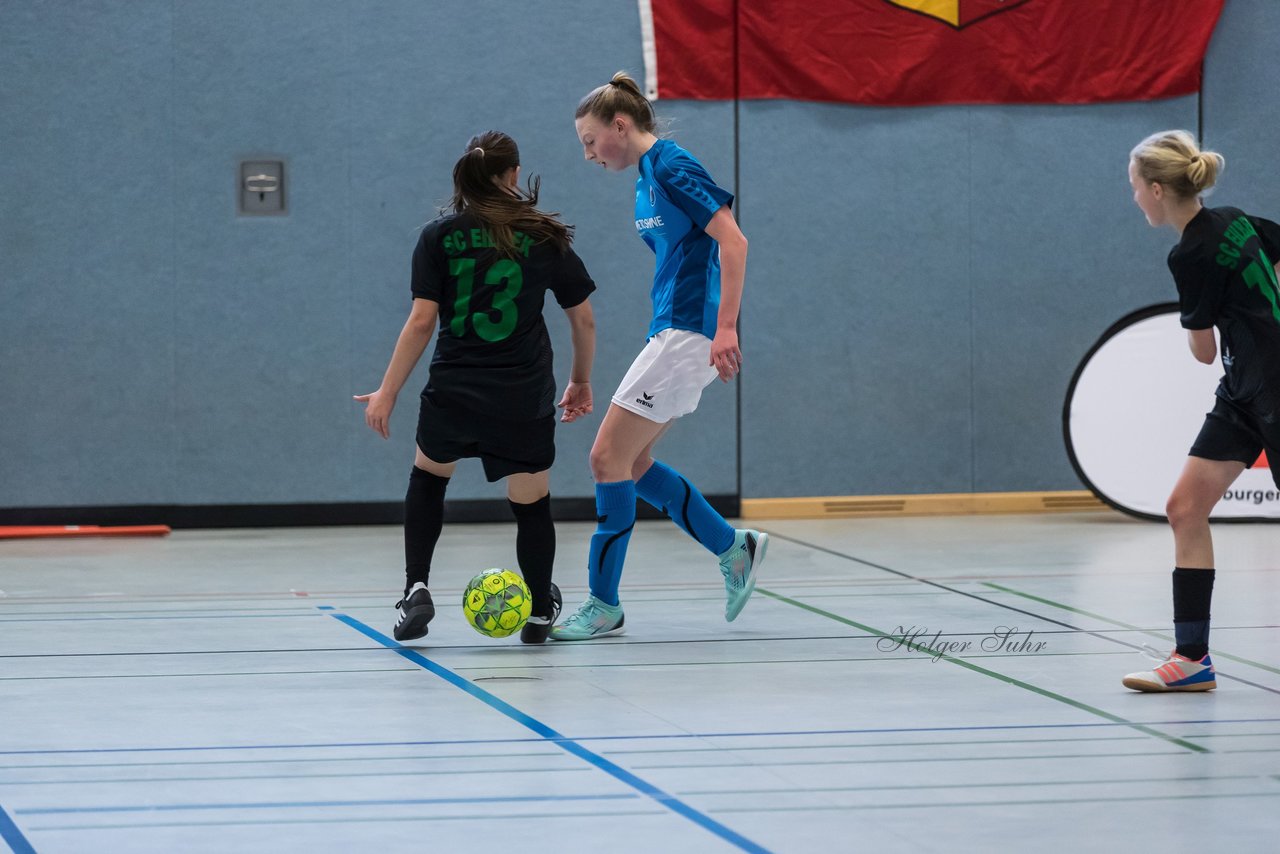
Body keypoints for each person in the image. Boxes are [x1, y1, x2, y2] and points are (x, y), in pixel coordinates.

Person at [355, 130, 597, 645]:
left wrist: (387, 391)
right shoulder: (543, 235)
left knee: (428, 479)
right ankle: (536, 609)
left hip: (455, 388)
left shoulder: (438, 236)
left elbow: (422, 321)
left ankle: (416, 588)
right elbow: (584, 320)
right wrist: (580, 381)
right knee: (531, 502)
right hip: (522, 392)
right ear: (513, 175)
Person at [551, 72, 768, 641]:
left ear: (620, 126)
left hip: (688, 331)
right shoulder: (646, 176)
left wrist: (725, 328)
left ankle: (603, 604)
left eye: (590, 141)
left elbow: (734, 240)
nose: (588, 154)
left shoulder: (672, 165)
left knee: (605, 459)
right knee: (633, 465)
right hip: (671, 329)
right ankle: (732, 546)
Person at [1123, 130, 1280, 691]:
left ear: (1159, 190)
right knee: (1185, 507)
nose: (1135, 197)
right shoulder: (1234, 218)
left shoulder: (1190, 252)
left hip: (1273, 387)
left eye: (1136, 187)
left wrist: (1206, 318)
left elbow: (1201, 350)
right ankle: (1192, 661)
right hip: (1244, 390)